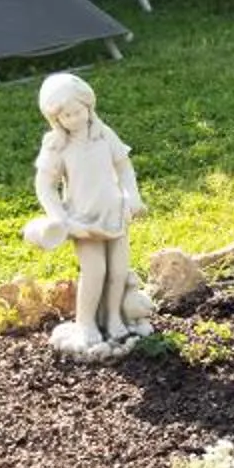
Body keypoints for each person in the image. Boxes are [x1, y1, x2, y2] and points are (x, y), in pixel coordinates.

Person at [25, 72, 152, 352]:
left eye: (77, 111)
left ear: (88, 106)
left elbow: (123, 167)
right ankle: (85, 323)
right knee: (95, 271)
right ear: (55, 119)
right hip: (83, 220)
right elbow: (45, 186)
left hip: (115, 212)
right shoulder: (57, 145)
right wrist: (59, 218)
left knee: (118, 271)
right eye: (65, 116)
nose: (73, 119)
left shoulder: (104, 134)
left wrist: (132, 195)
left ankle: (113, 318)